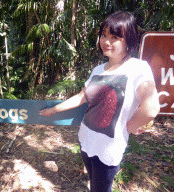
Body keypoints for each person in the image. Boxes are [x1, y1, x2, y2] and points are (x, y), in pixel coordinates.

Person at [39, 11, 160, 192]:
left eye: (114, 37)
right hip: (86, 139)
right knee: (94, 183)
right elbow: (82, 96)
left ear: (130, 40)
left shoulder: (138, 68)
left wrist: (131, 126)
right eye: (103, 35)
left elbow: (151, 109)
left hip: (109, 149)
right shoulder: (98, 70)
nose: (106, 41)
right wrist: (55, 109)